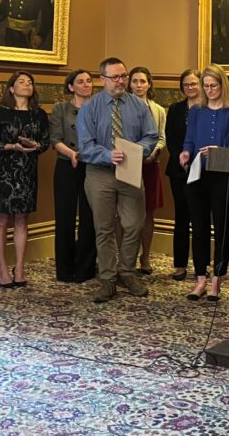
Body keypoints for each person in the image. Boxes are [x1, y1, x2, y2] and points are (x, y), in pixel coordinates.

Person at [77, 57, 158, 303]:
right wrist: (107, 154)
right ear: (102, 79)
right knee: (104, 227)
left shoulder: (138, 105)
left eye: (123, 76)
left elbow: (151, 135)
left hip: (130, 171)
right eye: (115, 77)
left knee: (134, 224)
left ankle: (127, 272)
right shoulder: (90, 108)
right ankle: (108, 279)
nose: (121, 81)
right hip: (99, 173)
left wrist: (137, 150)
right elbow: (85, 146)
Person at [179, 64, 229, 301]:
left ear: (222, 84)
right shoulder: (196, 110)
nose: (210, 90)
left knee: (222, 227)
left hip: (222, 174)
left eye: (213, 85)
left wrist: (219, 151)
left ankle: (217, 279)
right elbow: (189, 139)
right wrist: (185, 152)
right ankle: (200, 280)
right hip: (197, 173)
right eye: (206, 86)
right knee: (200, 227)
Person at [0, 71, 49, 288]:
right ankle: (2, 267)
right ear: (11, 88)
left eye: (30, 82)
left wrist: (34, 145)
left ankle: (19, 267)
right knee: (2, 219)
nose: (27, 84)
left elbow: (45, 142)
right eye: (21, 82)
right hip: (3, 171)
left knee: (22, 219)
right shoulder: (0, 112)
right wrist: (12, 145)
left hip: (27, 171)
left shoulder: (39, 114)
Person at [50, 68, 97, 283]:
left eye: (89, 81)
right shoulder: (61, 108)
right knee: (65, 217)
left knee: (89, 217)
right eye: (81, 81)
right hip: (66, 165)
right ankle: (65, 268)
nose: (86, 84)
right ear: (71, 87)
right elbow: (55, 139)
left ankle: (85, 267)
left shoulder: (99, 108)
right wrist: (72, 154)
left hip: (93, 165)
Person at [129, 66, 167, 274]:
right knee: (123, 213)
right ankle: (126, 257)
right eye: (135, 81)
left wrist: (154, 154)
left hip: (150, 165)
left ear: (149, 84)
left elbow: (161, 137)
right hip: (127, 164)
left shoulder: (158, 110)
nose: (139, 85)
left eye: (142, 81)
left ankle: (145, 257)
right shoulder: (121, 107)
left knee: (147, 213)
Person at [164, 69, 201, 281]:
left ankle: (200, 266)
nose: (190, 88)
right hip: (178, 170)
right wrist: (181, 157)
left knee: (199, 219)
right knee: (181, 218)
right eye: (186, 84)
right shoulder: (175, 109)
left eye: (194, 84)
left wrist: (195, 161)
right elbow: (171, 138)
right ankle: (179, 265)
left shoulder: (207, 108)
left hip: (201, 170)